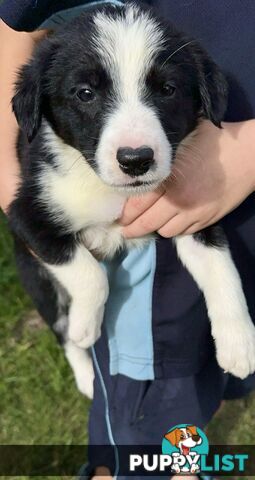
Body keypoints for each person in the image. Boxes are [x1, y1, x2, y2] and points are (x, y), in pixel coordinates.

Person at [1, 1, 255, 479]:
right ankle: (81, 363)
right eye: (86, 93)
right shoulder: (57, 173)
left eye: (165, 89)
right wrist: (89, 289)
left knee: (208, 367)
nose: (135, 143)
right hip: (144, 295)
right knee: (142, 411)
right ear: (42, 104)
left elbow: (198, 228)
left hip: (235, 191)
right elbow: (30, 219)